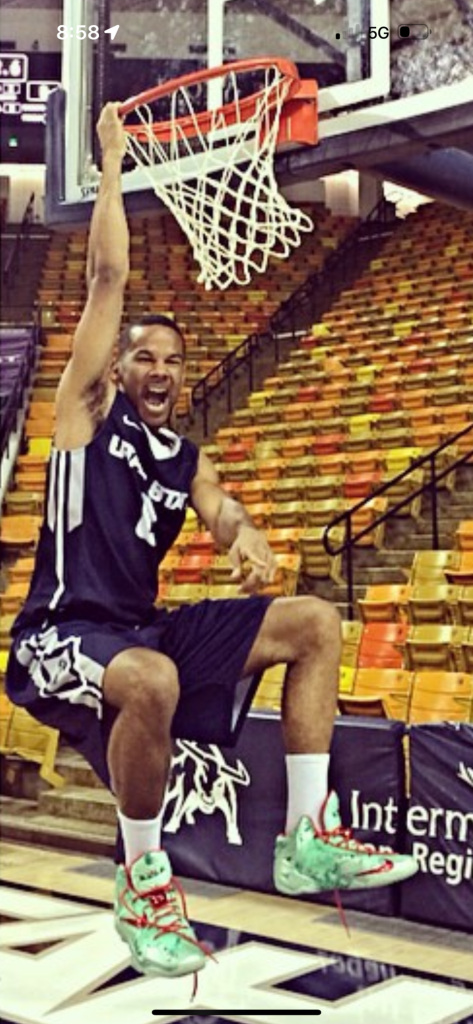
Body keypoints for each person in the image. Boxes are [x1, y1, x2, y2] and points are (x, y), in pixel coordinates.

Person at [6, 103, 418, 982]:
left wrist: (246, 537)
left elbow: (220, 507)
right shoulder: (87, 414)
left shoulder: (186, 454)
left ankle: (305, 837)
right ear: (118, 368)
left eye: (172, 361)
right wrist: (112, 165)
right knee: (150, 677)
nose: (158, 370)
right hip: (58, 632)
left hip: (137, 630)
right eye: (144, 357)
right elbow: (107, 279)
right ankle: (143, 885)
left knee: (312, 621)